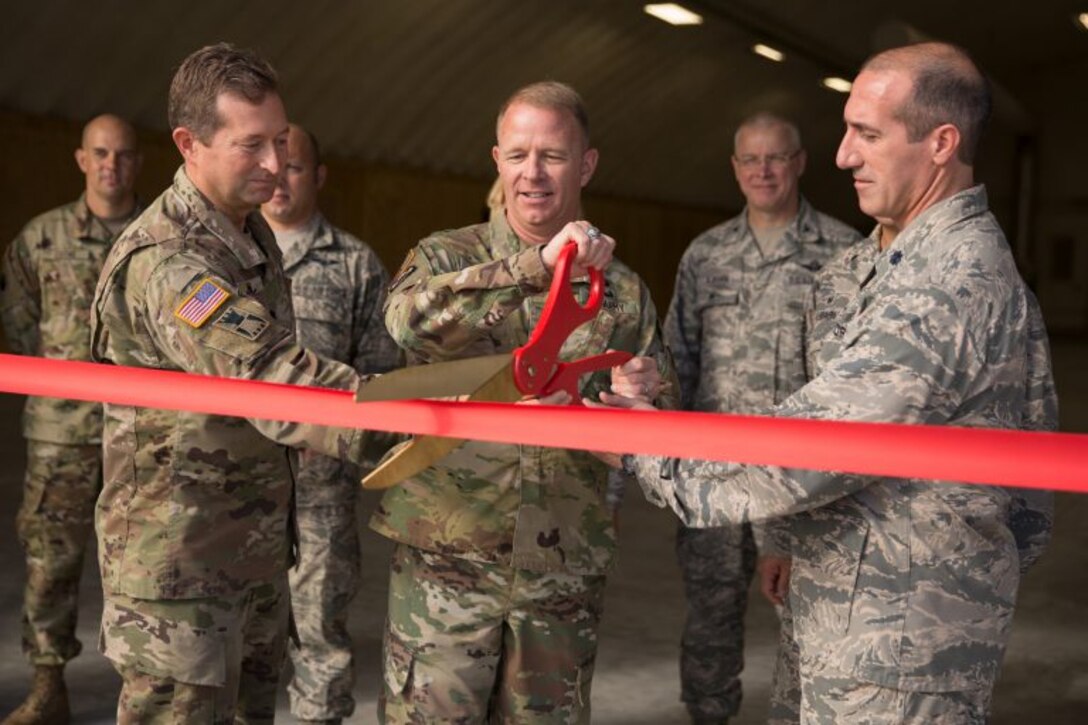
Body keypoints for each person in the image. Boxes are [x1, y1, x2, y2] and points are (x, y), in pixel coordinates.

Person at [602, 42, 1056, 723]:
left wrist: (648, 453)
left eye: (867, 134)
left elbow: (819, 442)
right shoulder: (884, 261)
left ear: (941, 142)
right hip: (849, 625)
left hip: (900, 646)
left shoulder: (951, 279)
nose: (844, 155)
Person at [89, 43, 389, 722]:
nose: (276, 165)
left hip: (248, 559)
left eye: (280, 142)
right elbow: (273, 377)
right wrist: (414, 420)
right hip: (181, 578)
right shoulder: (170, 261)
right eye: (252, 145)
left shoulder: (245, 232)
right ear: (189, 144)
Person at [373, 81, 677, 724]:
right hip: (445, 563)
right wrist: (535, 266)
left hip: (560, 571)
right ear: (497, 160)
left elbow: (660, 416)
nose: (532, 173)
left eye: (553, 156)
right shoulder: (444, 255)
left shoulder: (622, 291)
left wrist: (641, 394)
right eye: (517, 155)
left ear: (587, 165)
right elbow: (408, 324)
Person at [667, 112, 862, 725]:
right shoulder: (706, 255)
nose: (763, 171)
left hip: (802, 484)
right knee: (710, 619)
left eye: (775, 158)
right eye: (750, 160)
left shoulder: (844, 252)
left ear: (800, 162)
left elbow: (857, 379)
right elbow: (678, 360)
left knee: (810, 624)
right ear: (735, 168)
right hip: (716, 479)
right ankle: (707, 716)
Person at [0, 114, 143, 725]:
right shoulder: (43, 236)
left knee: (140, 569)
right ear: (81, 159)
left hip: (137, 436)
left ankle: (140, 690)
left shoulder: (152, 237)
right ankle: (47, 684)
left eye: (123, 155)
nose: (111, 165)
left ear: (138, 163)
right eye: (100, 153)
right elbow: (18, 317)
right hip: (60, 433)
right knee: (50, 562)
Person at [260, 123, 401, 724]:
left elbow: (380, 375)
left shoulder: (355, 264)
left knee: (319, 634)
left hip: (321, 490)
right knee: (236, 636)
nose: (278, 180)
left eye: (294, 169)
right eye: (271, 167)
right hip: (240, 488)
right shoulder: (227, 255)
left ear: (317, 177)